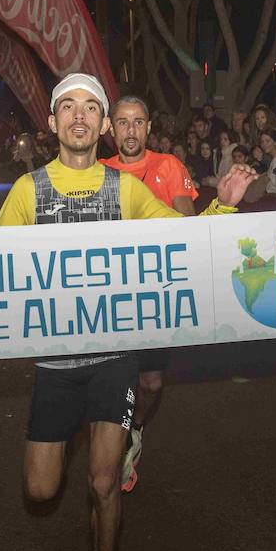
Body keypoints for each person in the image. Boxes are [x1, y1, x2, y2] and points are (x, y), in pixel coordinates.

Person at [0, 72, 255, 551]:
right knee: (41, 490)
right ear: (53, 123)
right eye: (69, 107)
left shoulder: (125, 190)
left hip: (115, 356)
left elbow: (183, 239)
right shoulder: (26, 191)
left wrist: (224, 206)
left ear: (104, 127)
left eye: (91, 107)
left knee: (104, 482)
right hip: (56, 363)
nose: (80, 115)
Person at [99, 95, 199, 494]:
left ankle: (135, 427)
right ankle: (116, 443)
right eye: (123, 122)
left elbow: (187, 224)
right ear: (111, 129)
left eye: (138, 122)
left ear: (148, 128)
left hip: (156, 294)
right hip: (111, 293)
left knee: (152, 383)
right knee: (111, 379)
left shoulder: (168, 165)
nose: (131, 130)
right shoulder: (98, 171)